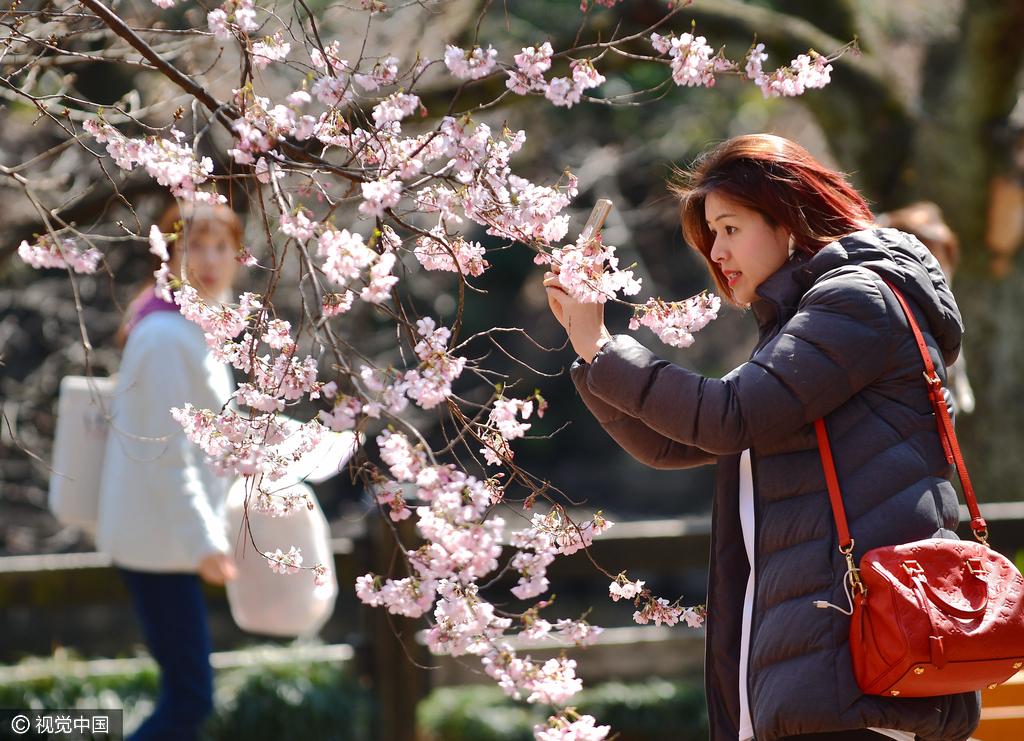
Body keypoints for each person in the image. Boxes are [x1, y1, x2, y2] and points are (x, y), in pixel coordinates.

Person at [544, 134, 980, 741]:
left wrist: (602, 348)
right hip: (827, 665)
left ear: (790, 219)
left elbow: (727, 417)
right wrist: (590, 355)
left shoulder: (855, 300)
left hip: (858, 668)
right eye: (710, 237)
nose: (717, 252)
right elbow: (677, 445)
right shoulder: (813, 316)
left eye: (729, 228)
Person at [97, 201, 244, 741]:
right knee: (190, 698)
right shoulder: (164, 336)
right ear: (170, 256)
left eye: (220, 246)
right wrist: (204, 542)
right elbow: (164, 452)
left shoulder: (195, 326)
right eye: (193, 246)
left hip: (166, 536)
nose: (208, 260)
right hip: (159, 540)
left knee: (185, 694)